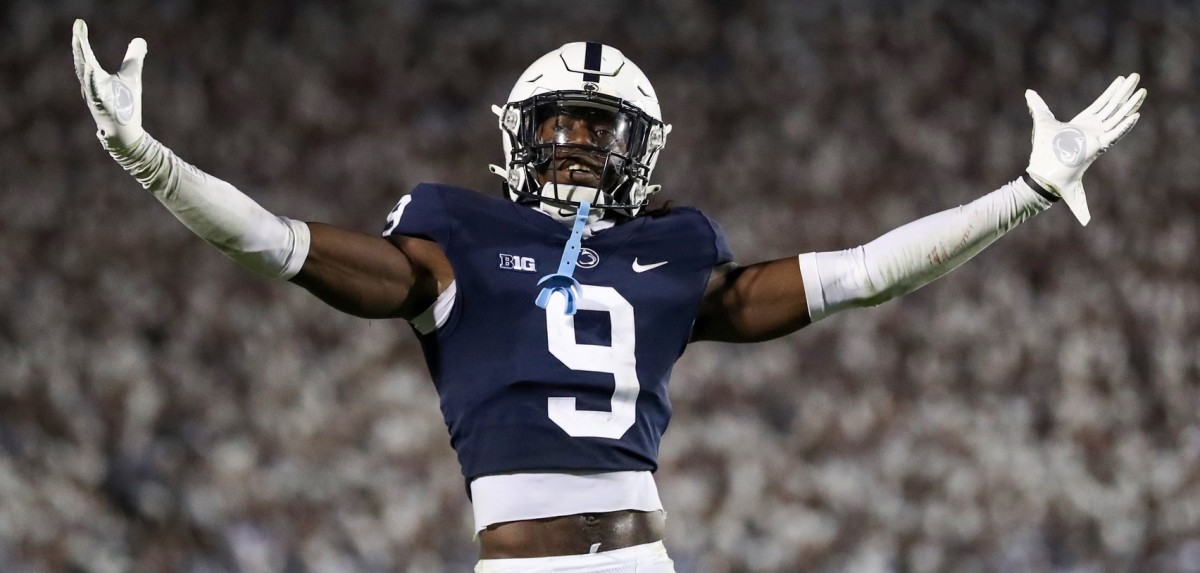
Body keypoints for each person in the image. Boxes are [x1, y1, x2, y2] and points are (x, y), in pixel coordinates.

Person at [71, 18, 1145, 573]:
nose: (579, 142)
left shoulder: (677, 253)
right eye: (560, 121)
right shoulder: (451, 234)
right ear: (519, 135)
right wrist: (154, 163)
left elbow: (860, 274)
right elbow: (280, 246)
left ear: (643, 151)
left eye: (601, 127)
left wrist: (1026, 193)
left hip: (642, 557)